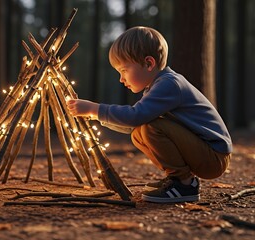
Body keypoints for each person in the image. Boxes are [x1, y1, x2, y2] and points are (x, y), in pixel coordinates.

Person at [66, 26, 232, 203]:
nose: (121, 79)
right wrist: (96, 116)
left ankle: (184, 184)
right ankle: (177, 178)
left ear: (149, 63)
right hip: (204, 152)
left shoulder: (169, 84)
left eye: (123, 70)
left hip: (213, 157)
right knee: (139, 133)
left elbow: (135, 116)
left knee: (150, 128)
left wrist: (95, 109)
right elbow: (133, 125)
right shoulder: (159, 85)